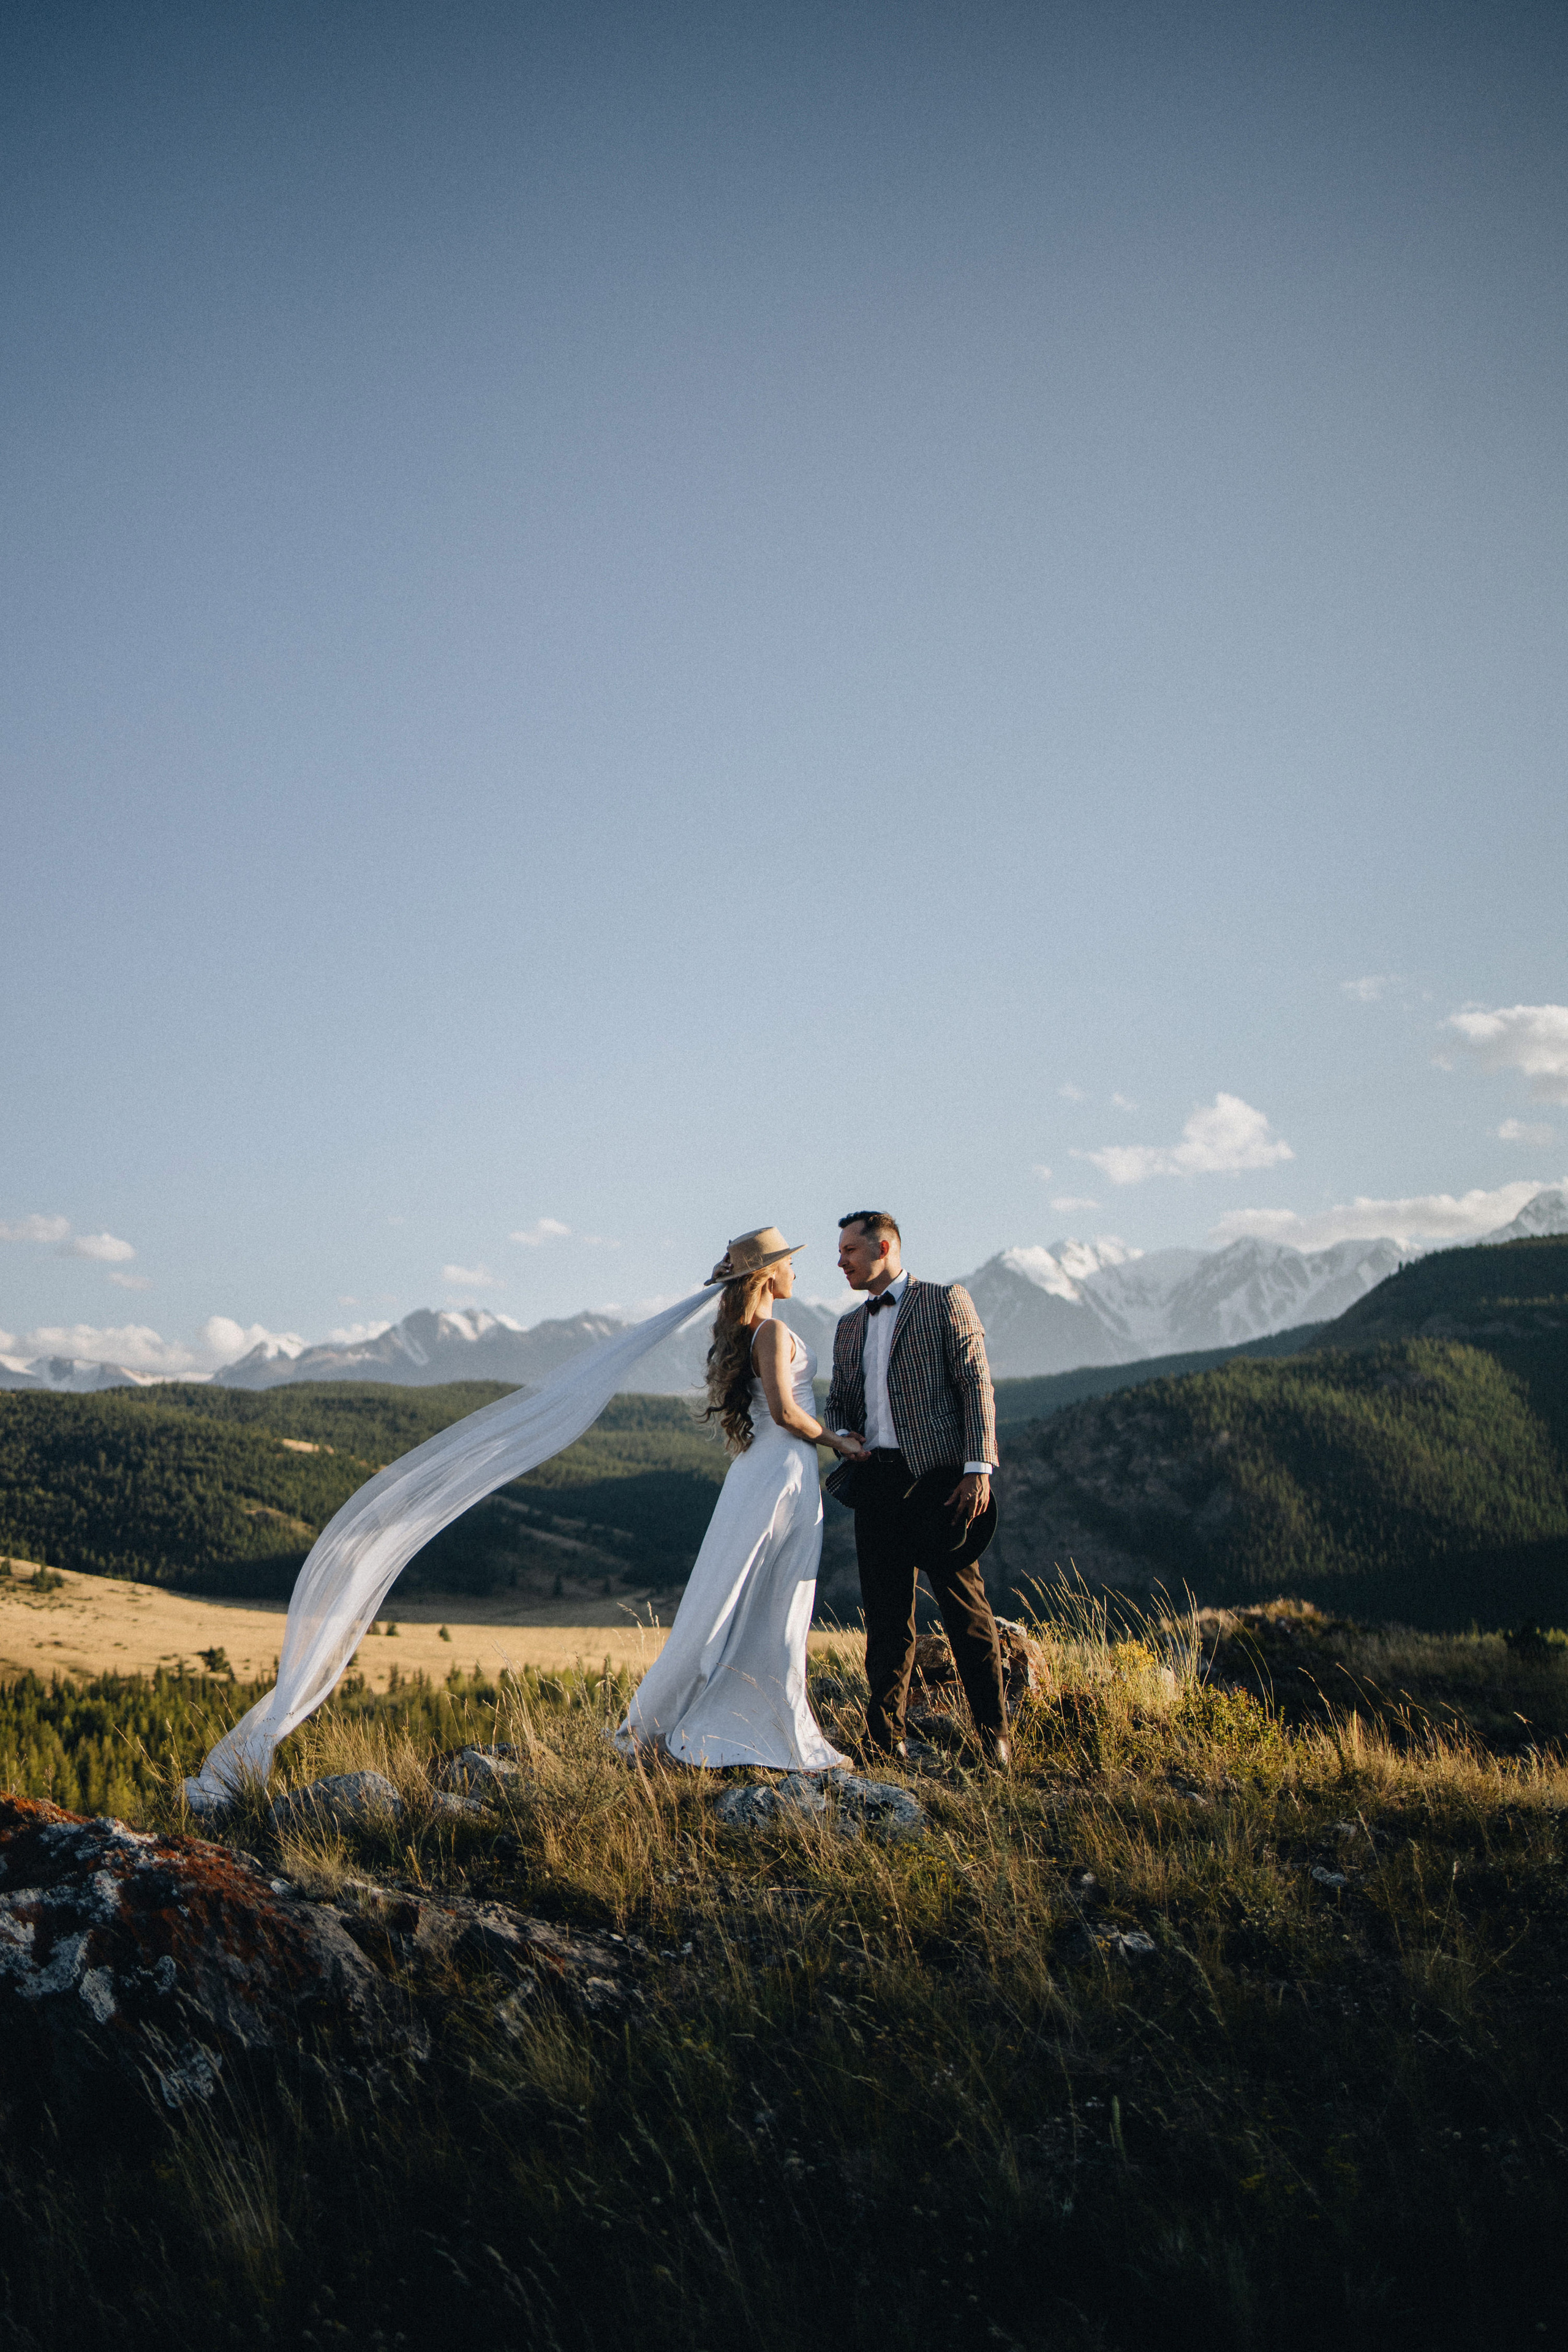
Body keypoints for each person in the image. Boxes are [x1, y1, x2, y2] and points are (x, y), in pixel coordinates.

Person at [614, 1226, 866, 1770]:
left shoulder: (749, 1332)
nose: (796, 1272)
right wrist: (839, 1442)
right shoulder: (771, 1331)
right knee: (775, 1603)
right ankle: (761, 1727)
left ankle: (695, 1722)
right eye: (788, 1264)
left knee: (738, 1597)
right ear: (768, 1274)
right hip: (783, 1470)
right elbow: (784, 1412)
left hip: (762, 1471)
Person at [826, 1210, 1010, 1767]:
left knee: (966, 1613)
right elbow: (838, 1402)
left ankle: (994, 1738)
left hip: (939, 1483)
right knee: (886, 1620)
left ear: (883, 1247)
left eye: (849, 1252)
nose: (840, 1262)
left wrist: (978, 1467)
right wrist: (839, 1436)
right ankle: (884, 1741)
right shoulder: (849, 1325)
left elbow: (976, 1383)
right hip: (875, 1481)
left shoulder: (944, 1300)